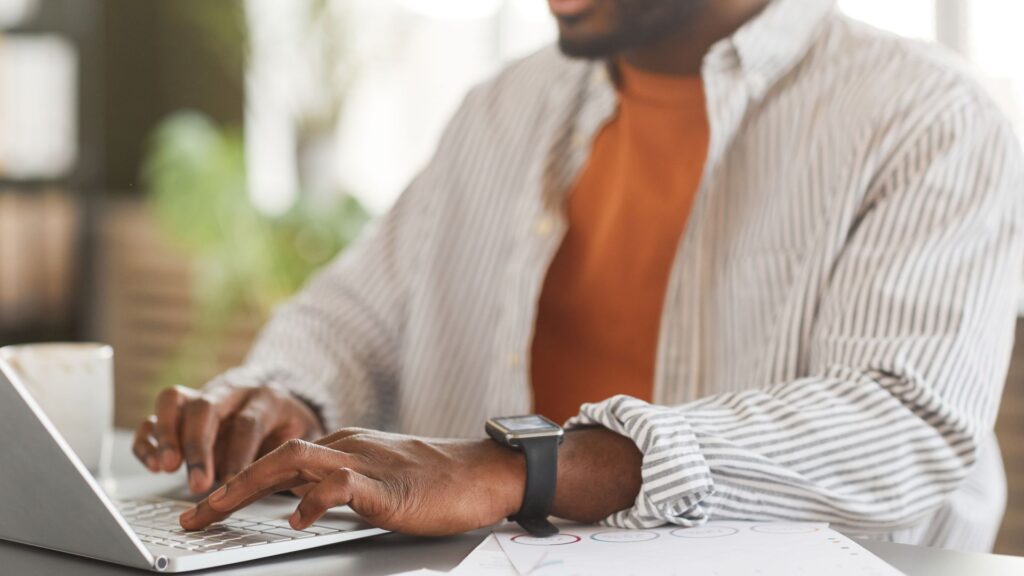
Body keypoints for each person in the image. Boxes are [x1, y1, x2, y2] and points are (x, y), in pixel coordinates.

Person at [132, 0, 1024, 551]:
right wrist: (290, 397)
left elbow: (906, 425)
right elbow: (353, 315)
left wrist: (521, 471)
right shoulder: (506, 107)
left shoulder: (925, 119)